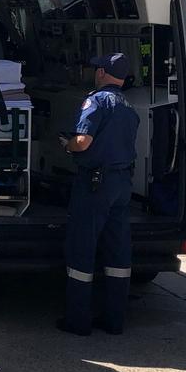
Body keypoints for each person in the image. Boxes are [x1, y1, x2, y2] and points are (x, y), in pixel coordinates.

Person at [58, 52, 140, 336]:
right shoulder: (130, 106)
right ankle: (114, 319)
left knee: (82, 248)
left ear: (103, 73)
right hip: (121, 184)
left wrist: (67, 145)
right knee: (118, 251)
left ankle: (77, 321)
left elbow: (83, 142)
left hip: (95, 183)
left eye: (97, 69)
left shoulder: (96, 101)